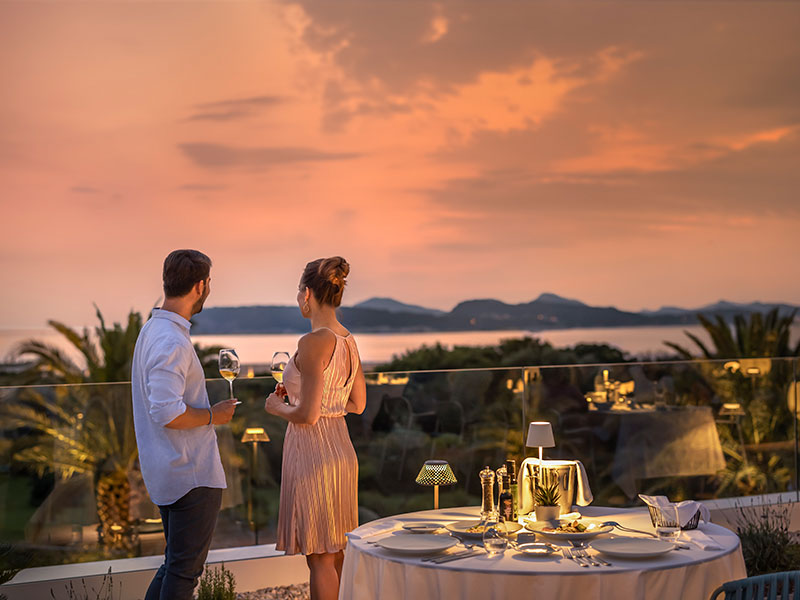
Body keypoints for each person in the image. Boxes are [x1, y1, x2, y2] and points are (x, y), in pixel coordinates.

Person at [132, 249, 238, 600]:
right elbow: (167, 413)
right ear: (200, 286)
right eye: (209, 282)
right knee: (183, 572)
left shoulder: (153, 330)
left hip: (168, 470)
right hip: (189, 475)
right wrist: (214, 416)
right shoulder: (170, 341)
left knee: (174, 566)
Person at [265, 256, 366, 600]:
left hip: (313, 454)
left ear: (307, 293)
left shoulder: (311, 343)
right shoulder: (348, 341)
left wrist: (277, 406)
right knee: (335, 552)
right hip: (341, 451)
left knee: (320, 557)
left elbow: (307, 415)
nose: (298, 299)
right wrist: (310, 398)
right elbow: (357, 403)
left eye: (298, 293)